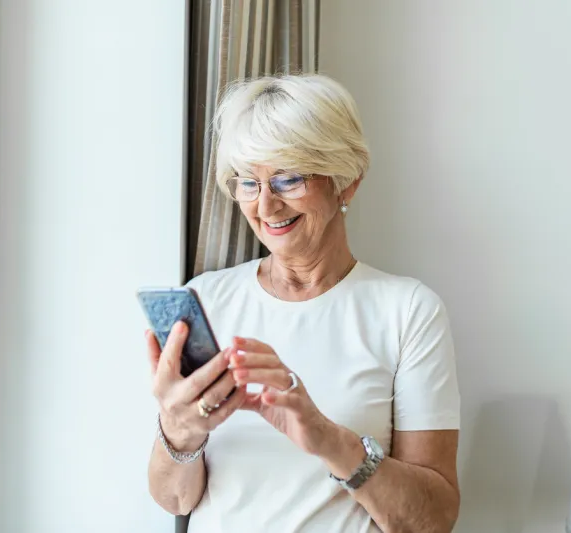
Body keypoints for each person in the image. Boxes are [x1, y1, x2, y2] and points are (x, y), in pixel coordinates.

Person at [146, 74, 461, 533]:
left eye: (288, 179)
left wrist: (328, 438)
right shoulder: (207, 299)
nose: (265, 206)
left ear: (346, 181)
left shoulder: (408, 311)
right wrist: (178, 430)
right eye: (248, 183)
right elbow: (174, 498)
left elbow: (433, 519)